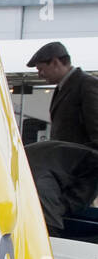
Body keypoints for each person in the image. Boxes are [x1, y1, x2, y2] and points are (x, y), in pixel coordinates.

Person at [25, 42, 98, 234]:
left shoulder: (86, 85)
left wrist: (80, 187)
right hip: (63, 175)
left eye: (41, 68)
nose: (40, 74)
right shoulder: (63, 88)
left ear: (56, 62)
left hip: (77, 177)